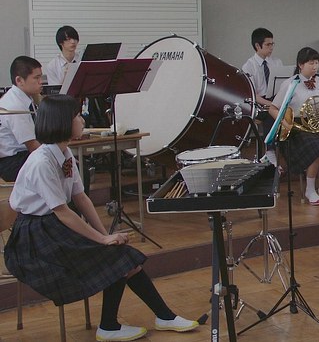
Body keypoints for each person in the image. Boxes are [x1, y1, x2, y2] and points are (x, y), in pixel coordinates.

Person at [4, 95, 198, 342]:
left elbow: (81, 198)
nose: (82, 120)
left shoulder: (64, 153)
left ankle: (155, 318)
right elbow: (62, 211)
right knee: (116, 257)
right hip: (34, 239)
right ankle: (118, 325)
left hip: (53, 227)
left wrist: (105, 236)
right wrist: (102, 240)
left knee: (118, 254)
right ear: (61, 122)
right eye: (76, 116)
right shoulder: (42, 162)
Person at [269, 48, 319, 206]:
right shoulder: (290, 83)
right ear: (300, 65)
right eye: (311, 63)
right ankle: (310, 189)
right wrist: (286, 124)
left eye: (316, 63)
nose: (315, 66)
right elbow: (273, 108)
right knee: (316, 147)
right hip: (298, 127)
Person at [241, 28, 283, 165]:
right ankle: (270, 150)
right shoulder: (248, 66)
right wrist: (271, 104)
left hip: (275, 98)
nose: (271, 48)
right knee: (270, 113)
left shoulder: (277, 62)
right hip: (259, 102)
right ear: (258, 46)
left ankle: (287, 150)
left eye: (272, 44)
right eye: (268, 45)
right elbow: (253, 94)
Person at [0, 56, 43, 181]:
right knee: (63, 167)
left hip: (24, 156)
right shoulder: (14, 105)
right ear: (19, 80)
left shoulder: (26, 97)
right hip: (12, 162)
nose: (41, 82)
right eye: (36, 78)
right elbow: (32, 145)